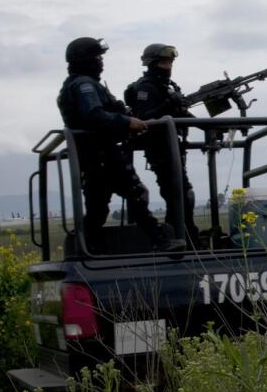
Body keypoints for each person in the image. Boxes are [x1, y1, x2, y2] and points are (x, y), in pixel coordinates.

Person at [57, 37, 181, 253]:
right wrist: (127, 122)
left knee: (97, 208)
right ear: (85, 59)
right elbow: (94, 115)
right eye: (97, 57)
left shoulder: (77, 84)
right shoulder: (84, 85)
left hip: (91, 154)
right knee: (136, 193)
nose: (101, 62)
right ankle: (160, 241)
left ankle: (87, 247)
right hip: (102, 153)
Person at [124, 43, 202, 246]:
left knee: (181, 195)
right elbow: (144, 118)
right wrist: (169, 105)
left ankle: (184, 236)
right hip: (159, 149)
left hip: (172, 148)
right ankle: (182, 238)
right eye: (163, 62)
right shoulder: (146, 87)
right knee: (180, 195)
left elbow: (182, 114)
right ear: (152, 63)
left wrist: (209, 128)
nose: (168, 66)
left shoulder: (166, 86)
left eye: (170, 62)